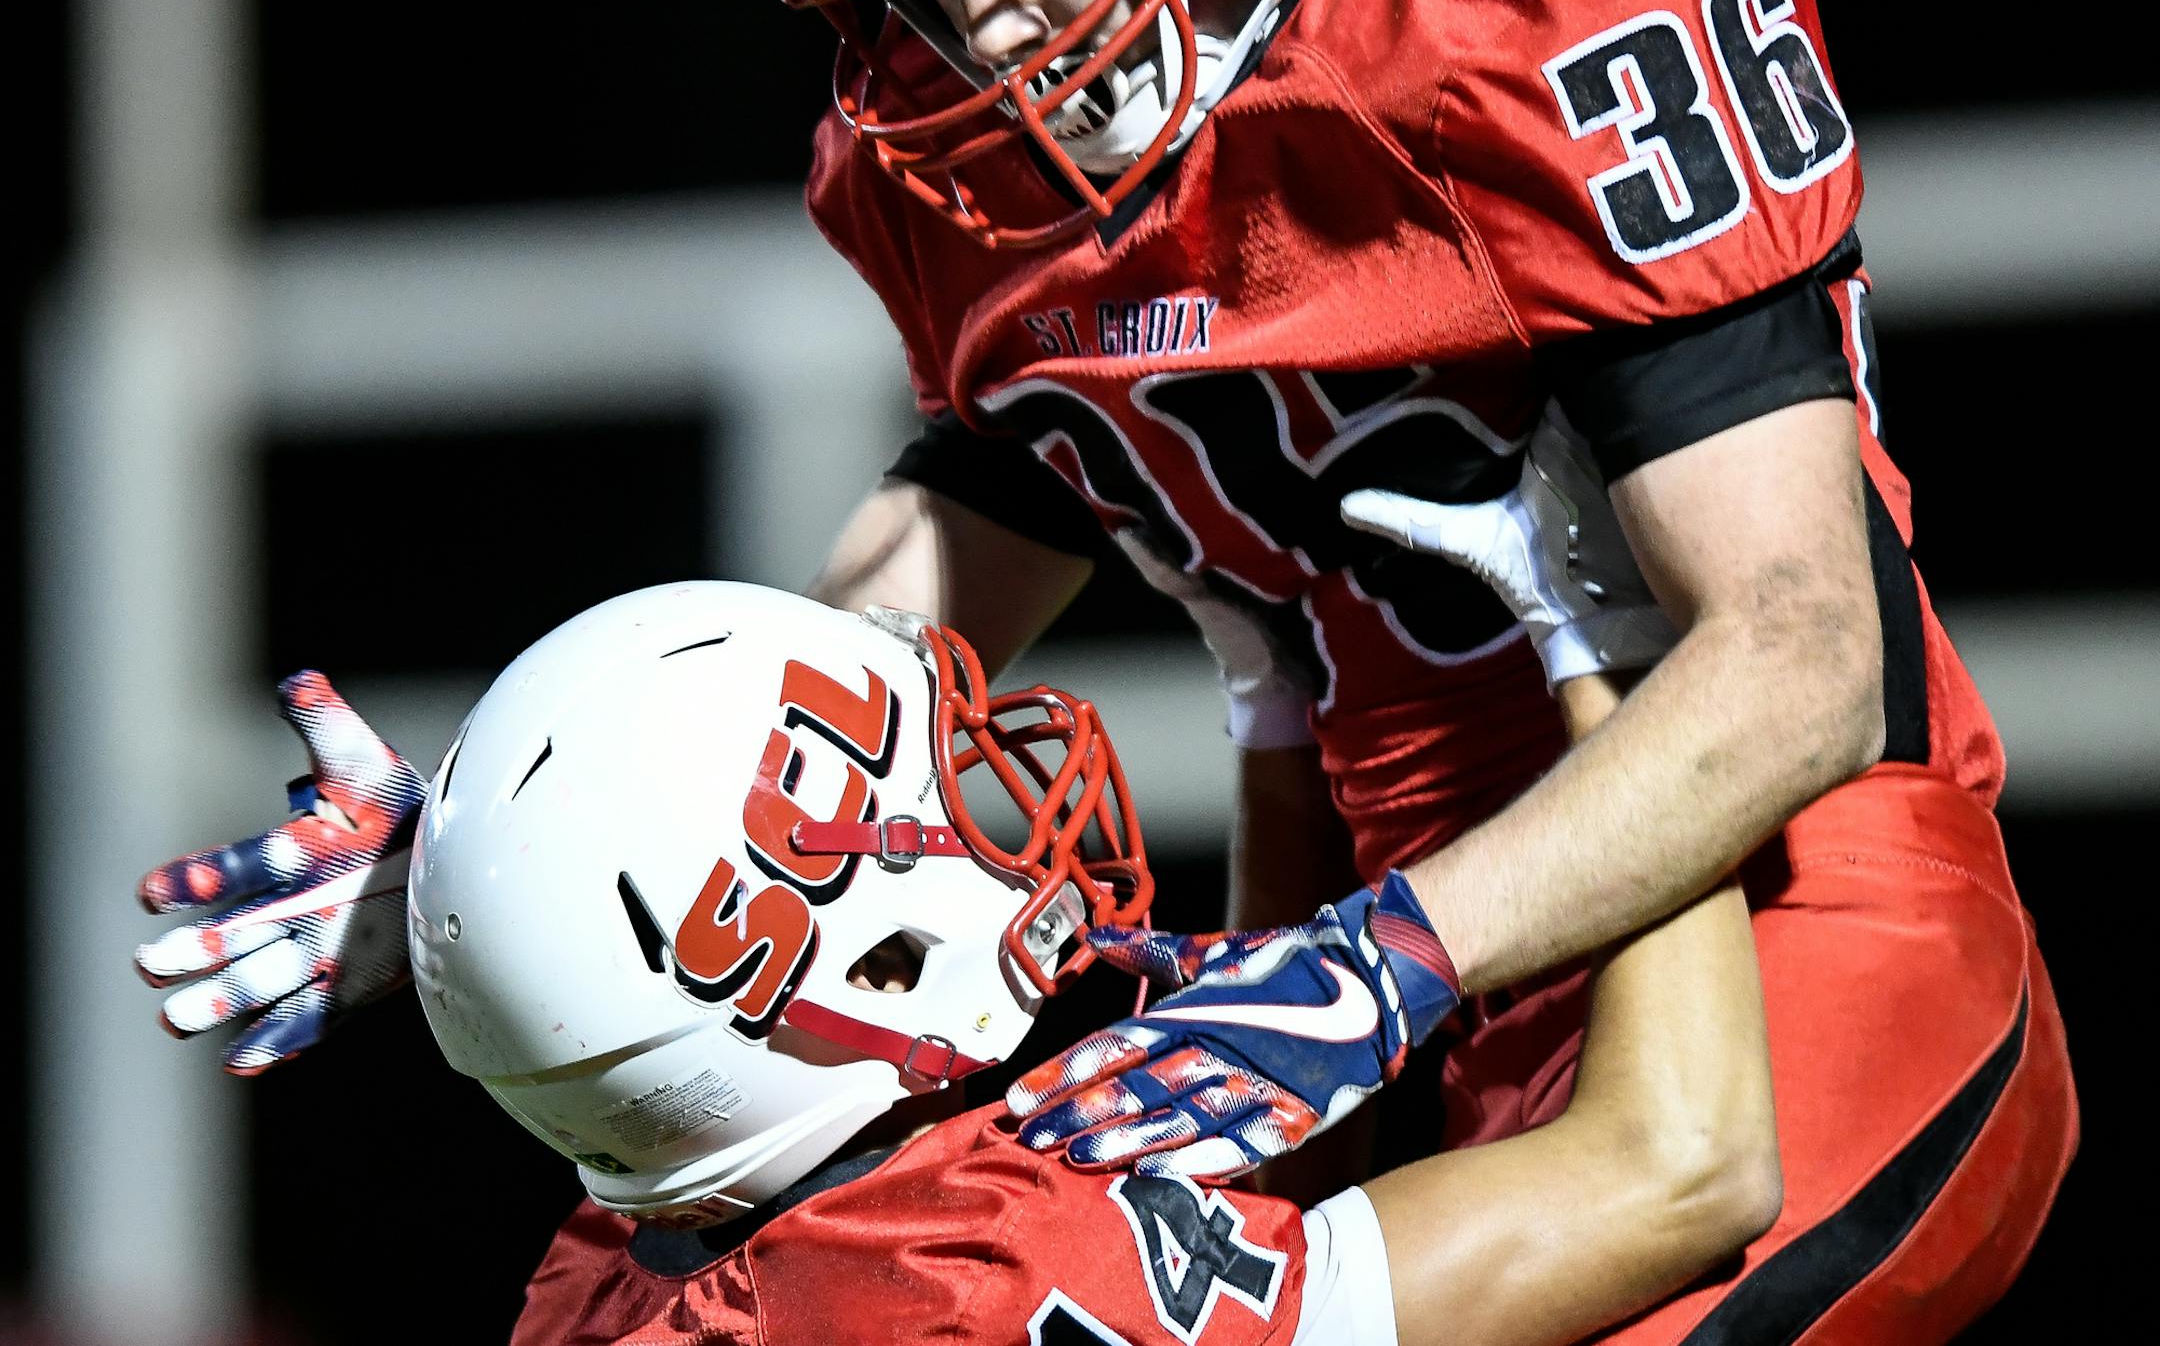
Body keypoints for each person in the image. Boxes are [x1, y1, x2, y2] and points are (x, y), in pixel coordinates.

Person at [139, 0, 2075, 1338]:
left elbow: (1801, 659)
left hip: (1783, 916)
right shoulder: (955, 191)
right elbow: (885, 646)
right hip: (1369, 964)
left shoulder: (1511, 21)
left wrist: (1377, 968)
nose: (979, 29)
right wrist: (534, 872)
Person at [432, 524, 1778, 1343]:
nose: (975, 796)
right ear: (839, 966)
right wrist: (1602, 622)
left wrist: (1275, 689)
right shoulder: (970, 1282)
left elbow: (1262, 1212)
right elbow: (1685, 1164)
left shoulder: (599, 1277)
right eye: (913, 799)